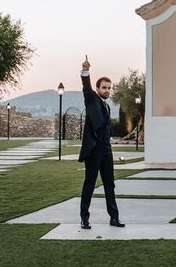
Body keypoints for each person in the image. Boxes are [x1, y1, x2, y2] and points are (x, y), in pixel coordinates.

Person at [78, 56, 124, 229]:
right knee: (89, 183)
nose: (107, 90)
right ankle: (84, 218)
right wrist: (85, 71)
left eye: (109, 88)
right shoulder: (91, 98)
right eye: (104, 88)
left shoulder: (107, 106)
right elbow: (85, 86)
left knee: (109, 184)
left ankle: (114, 218)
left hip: (107, 150)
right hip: (94, 150)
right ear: (97, 88)